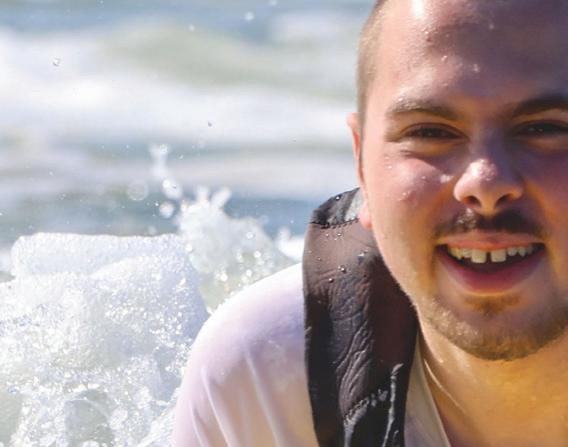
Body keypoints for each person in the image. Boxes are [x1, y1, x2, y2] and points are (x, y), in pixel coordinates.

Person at [173, 0, 568, 445]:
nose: (485, 182)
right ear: (362, 164)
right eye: (430, 132)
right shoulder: (268, 376)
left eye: (545, 129)